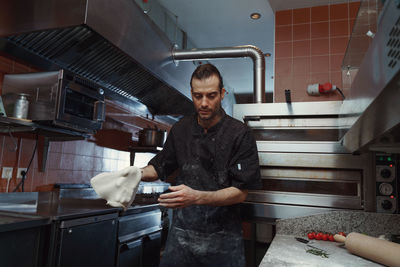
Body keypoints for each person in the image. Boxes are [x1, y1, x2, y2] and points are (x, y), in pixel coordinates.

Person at [140, 63, 261, 267]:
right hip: (181, 239)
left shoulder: (239, 134)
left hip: (224, 241)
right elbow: (159, 167)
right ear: (192, 94)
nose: (204, 103)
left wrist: (197, 197)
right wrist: (132, 174)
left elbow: (241, 192)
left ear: (222, 94)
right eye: (198, 96)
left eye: (211, 95)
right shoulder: (180, 130)